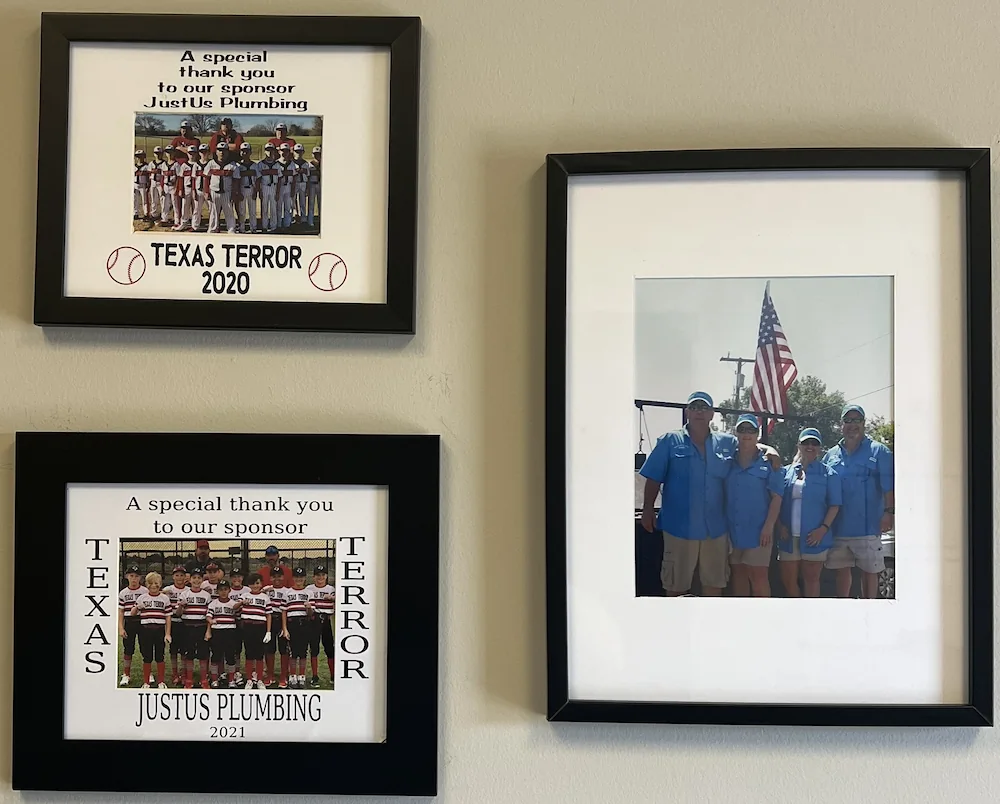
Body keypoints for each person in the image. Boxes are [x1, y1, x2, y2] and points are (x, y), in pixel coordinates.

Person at [639, 391, 779, 596]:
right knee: (676, 586)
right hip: (679, 527)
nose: (699, 412)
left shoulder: (726, 442)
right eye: (694, 407)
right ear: (687, 412)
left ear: (712, 414)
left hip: (715, 530)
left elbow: (748, 444)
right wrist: (647, 509)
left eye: (704, 408)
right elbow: (653, 478)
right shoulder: (669, 440)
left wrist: (770, 449)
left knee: (714, 584)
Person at [823, 404, 895, 599]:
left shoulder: (879, 451)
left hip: (869, 527)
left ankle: (870, 608)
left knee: (870, 573)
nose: (852, 425)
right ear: (841, 425)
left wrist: (889, 513)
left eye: (857, 420)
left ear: (864, 424)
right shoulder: (830, 455)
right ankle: (845, 609)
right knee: (842, 572)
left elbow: (889, 486)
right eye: (848, 420)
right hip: (839, 528)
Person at [776, 428, 842, 597]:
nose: (810, 446)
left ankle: (811, 618)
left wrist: (823, 529)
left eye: (815, 443)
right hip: (789, 537)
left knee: (812, 580)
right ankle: (798, 615)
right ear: (799, 445)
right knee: (788, 580)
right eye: (806, 443)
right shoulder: (786, 471)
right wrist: (779, 525)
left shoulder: (829, 474)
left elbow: (834, 505)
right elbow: (776, 501)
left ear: (820, 448)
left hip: (815, 537)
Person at [725, 414, 784, 597]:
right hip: (732, 530)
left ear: (758, 434)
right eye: (742, 430)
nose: (746, 434)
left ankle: (763, 621)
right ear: (736, 433)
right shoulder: (727, 458)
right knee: (739, 574)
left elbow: (777, 497)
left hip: (759, 532)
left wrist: (768, 526)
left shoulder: (769, 461)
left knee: (758, 577)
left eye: (751, 430)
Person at [130, 572, 172, 689]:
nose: (153, 586)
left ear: (160, 584)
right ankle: (146, 682)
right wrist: (137, 607)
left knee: (160, 656)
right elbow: (133, 614)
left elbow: (168, 616)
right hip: (145, 629)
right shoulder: (142, 597)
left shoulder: (164, 598)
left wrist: (167, 633)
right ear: (146, 584)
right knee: (147, 656)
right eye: (151, 583)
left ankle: (161, 682)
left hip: (159, 629)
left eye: (156, 583)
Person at [176, 566, 213, 689]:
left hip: (202, 627)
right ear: (190, 579)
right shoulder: (184, 594)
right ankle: (189, 679)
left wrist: (208, 631)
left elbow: (209, 614)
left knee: (203, 655)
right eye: (194, 578)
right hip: (187, 627)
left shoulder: (206, 595)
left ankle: (203, 679)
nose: (196, 580)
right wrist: (181, 606)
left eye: (199, 578)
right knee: (189, 654)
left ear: (202, 580)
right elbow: (178, 614)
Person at [234, 572, 272, 689]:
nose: (255, 586)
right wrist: (241, 602)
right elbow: (234, 608)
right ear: (248, 585)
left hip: (260, 627)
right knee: (249, 654)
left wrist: (268, 631)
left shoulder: (265, 597)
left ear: (261, 584)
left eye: (257, 583)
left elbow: (268, 614)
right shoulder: (245, 595)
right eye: (252, 583)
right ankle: (250, 679)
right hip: (247, 627)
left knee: (259, 655)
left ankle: (259, 679)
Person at [305, 565, 335, 688]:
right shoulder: (309, 588)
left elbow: (340, 601)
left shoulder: (330, 588)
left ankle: (333, 675)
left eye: (323, 575)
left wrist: (332, 597)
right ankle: (315, 676)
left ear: (326, 576)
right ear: (313, 577)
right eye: (318, 575)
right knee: (314, 649)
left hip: (326, 620)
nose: (320, 577)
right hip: (314, 620)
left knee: (329, 649)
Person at [205, 579, 239, 688]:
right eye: (221, 590)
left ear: (229, 590)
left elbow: (238, 614)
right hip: (217, 631)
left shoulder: (234, 603)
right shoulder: (213, 603)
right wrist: (211, 621)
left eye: (225, 589)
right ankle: (215, 679)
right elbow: (209, 616)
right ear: (217, 591)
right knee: (216, 656)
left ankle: (231, 680)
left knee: (230, 656)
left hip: (230, 631)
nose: (223, 592)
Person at [282, 567, 312, 689]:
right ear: (293, 578)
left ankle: (302, 676)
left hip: (304, 623)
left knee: (303, 652)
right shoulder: (287, 592)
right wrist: (284, 628)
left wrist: (309, 608)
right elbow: (283, 611)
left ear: (304, 578)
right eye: (296, 577)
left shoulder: (308, 593)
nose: (299, 579)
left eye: (301, 577)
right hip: (292, 623)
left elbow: (311, 614)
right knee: (293, 652)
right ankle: (293, 675)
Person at [118, 564, 147, 686]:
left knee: (145, 648)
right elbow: (121, 611)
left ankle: (148, 673)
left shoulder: (145, 591)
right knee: (128, 649)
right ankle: (126, 674)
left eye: (136, 576)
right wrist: (121, 627)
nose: (134, 579)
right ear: (126, 577)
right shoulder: (123, 593)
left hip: (143, 622)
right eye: (131, 576)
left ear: (140, 578)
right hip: (129, 622)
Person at [162, 565, 189, 686]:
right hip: (172, 622)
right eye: (177, 575)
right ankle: (174, 673)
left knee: (184, 651)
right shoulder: (168, 588)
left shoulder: (188, 590)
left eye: (182, 575)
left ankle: (183, 674)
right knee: (173, 651)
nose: (179, 578)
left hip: (184, 623)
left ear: (185, 577)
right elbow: (154, 592)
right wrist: (163, 592)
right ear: (173, 576)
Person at [263, 567, 290, 687]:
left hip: (282, 619)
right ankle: (270, 675)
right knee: (269, 648)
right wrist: (264, 591)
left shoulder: (287, 591)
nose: (277, 578)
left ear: (283, 577)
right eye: (274, 576)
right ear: (270, 578)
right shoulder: (267, 590)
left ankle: (283, 676)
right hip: (269, 620)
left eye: (279, 576)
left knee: (283, 649)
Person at [202, 143, 237, 234]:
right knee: (213, 212)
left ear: (227, 152)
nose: (222, 153)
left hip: (227, 192)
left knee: (229, 211)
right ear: (216, 152)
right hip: (214, 191)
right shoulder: (211, 163)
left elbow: (236, 180)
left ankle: (231, 228)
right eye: (220, 150)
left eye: (224, 150)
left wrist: (234, 193)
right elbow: (206, 177)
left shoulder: (232, 165)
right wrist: (206, 191)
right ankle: (213, 228)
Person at [228, 564, 250, 686]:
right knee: (236, 649)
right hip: (232, 622)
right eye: (234, 577)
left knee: (249, 648)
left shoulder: (247, 590)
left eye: (239, 576)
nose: (237, 579)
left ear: (242, 577)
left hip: (246, 622)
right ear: (230, 578)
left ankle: (250, 671)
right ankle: (236, 671)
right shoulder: (227, 591)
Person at [234, 142, 260, 233]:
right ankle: (242, 228)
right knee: (242, 211)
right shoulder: (237, 166)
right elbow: (236, 180)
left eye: (246, 151)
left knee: (252, 211)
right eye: (243, 151)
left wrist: (255, 191)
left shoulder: (254, 165)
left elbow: (257, 179)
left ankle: (254, 228)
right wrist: (238, 192)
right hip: (242, 189)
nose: (244, 153)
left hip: (251, 188)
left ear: (250, 152)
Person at [257, 144, 282, 232]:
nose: (270, 152)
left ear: (274, 151)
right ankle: (264, 226)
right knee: (264, 208)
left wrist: (278, 192)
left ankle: (273, 226)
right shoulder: (260, 164)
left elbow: (279, 179)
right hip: (264, 187)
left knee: (273, 208)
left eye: (271, 150)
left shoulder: (277, 165)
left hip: (273, 187)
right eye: (268, 150)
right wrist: (259, 191)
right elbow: (258, 179)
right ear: (265, 151)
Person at [276, 143, 297, 230]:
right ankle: (279, 224)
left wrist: (293, 189)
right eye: (283, 151)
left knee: (288, 207)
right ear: (279, 151)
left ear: (289, 152)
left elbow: (295, 177)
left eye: (286, 151)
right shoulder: (276, 163)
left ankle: (287, 224)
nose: (284, 153)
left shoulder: (292, 164)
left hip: (288, 186)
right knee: (279, 206)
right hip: (279, 187)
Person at [291, 143, 311, 224]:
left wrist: (307, 188)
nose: (298, 153)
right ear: (293, 152)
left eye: (300, 151)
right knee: (292, 201)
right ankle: (294, 216)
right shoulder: (291, 163)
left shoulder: (306, 163)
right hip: (294, 183)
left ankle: (303, 218)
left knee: (302, 201)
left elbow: (308, 175)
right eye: (296, 151)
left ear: (303, 152)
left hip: (303, 183)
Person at [133, 149, 151, 220]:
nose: (139, 158)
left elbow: (149, 176)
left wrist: (148, 184)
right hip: (135, 184)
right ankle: (135, 213)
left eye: (141, 156)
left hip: (143, 185)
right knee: (135, 199)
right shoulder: (134, 166)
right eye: (138, 156)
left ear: (144, 157)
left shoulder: (147, 166)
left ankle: (146, 213)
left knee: (145, 200)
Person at [307, 146, 321, 228]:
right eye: (315, 154)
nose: (316, 155)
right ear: (312, 154)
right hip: (312, 184)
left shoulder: (324, 164)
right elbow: (308, 176)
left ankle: (320, 220)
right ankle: (310, 221)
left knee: (321, 204)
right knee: (311, 204)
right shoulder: (310, 164)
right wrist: (307, 188)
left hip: (320, 185)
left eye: (318, 154)